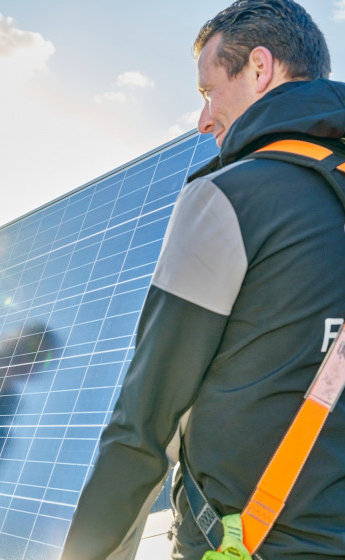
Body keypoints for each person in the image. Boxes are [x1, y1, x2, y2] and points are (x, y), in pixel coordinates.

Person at [61, 1, 345, 558]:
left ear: (259, 69)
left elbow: (142, 426)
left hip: (246, 543)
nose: (204, 119)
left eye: (207, 91)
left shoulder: (228, 197)